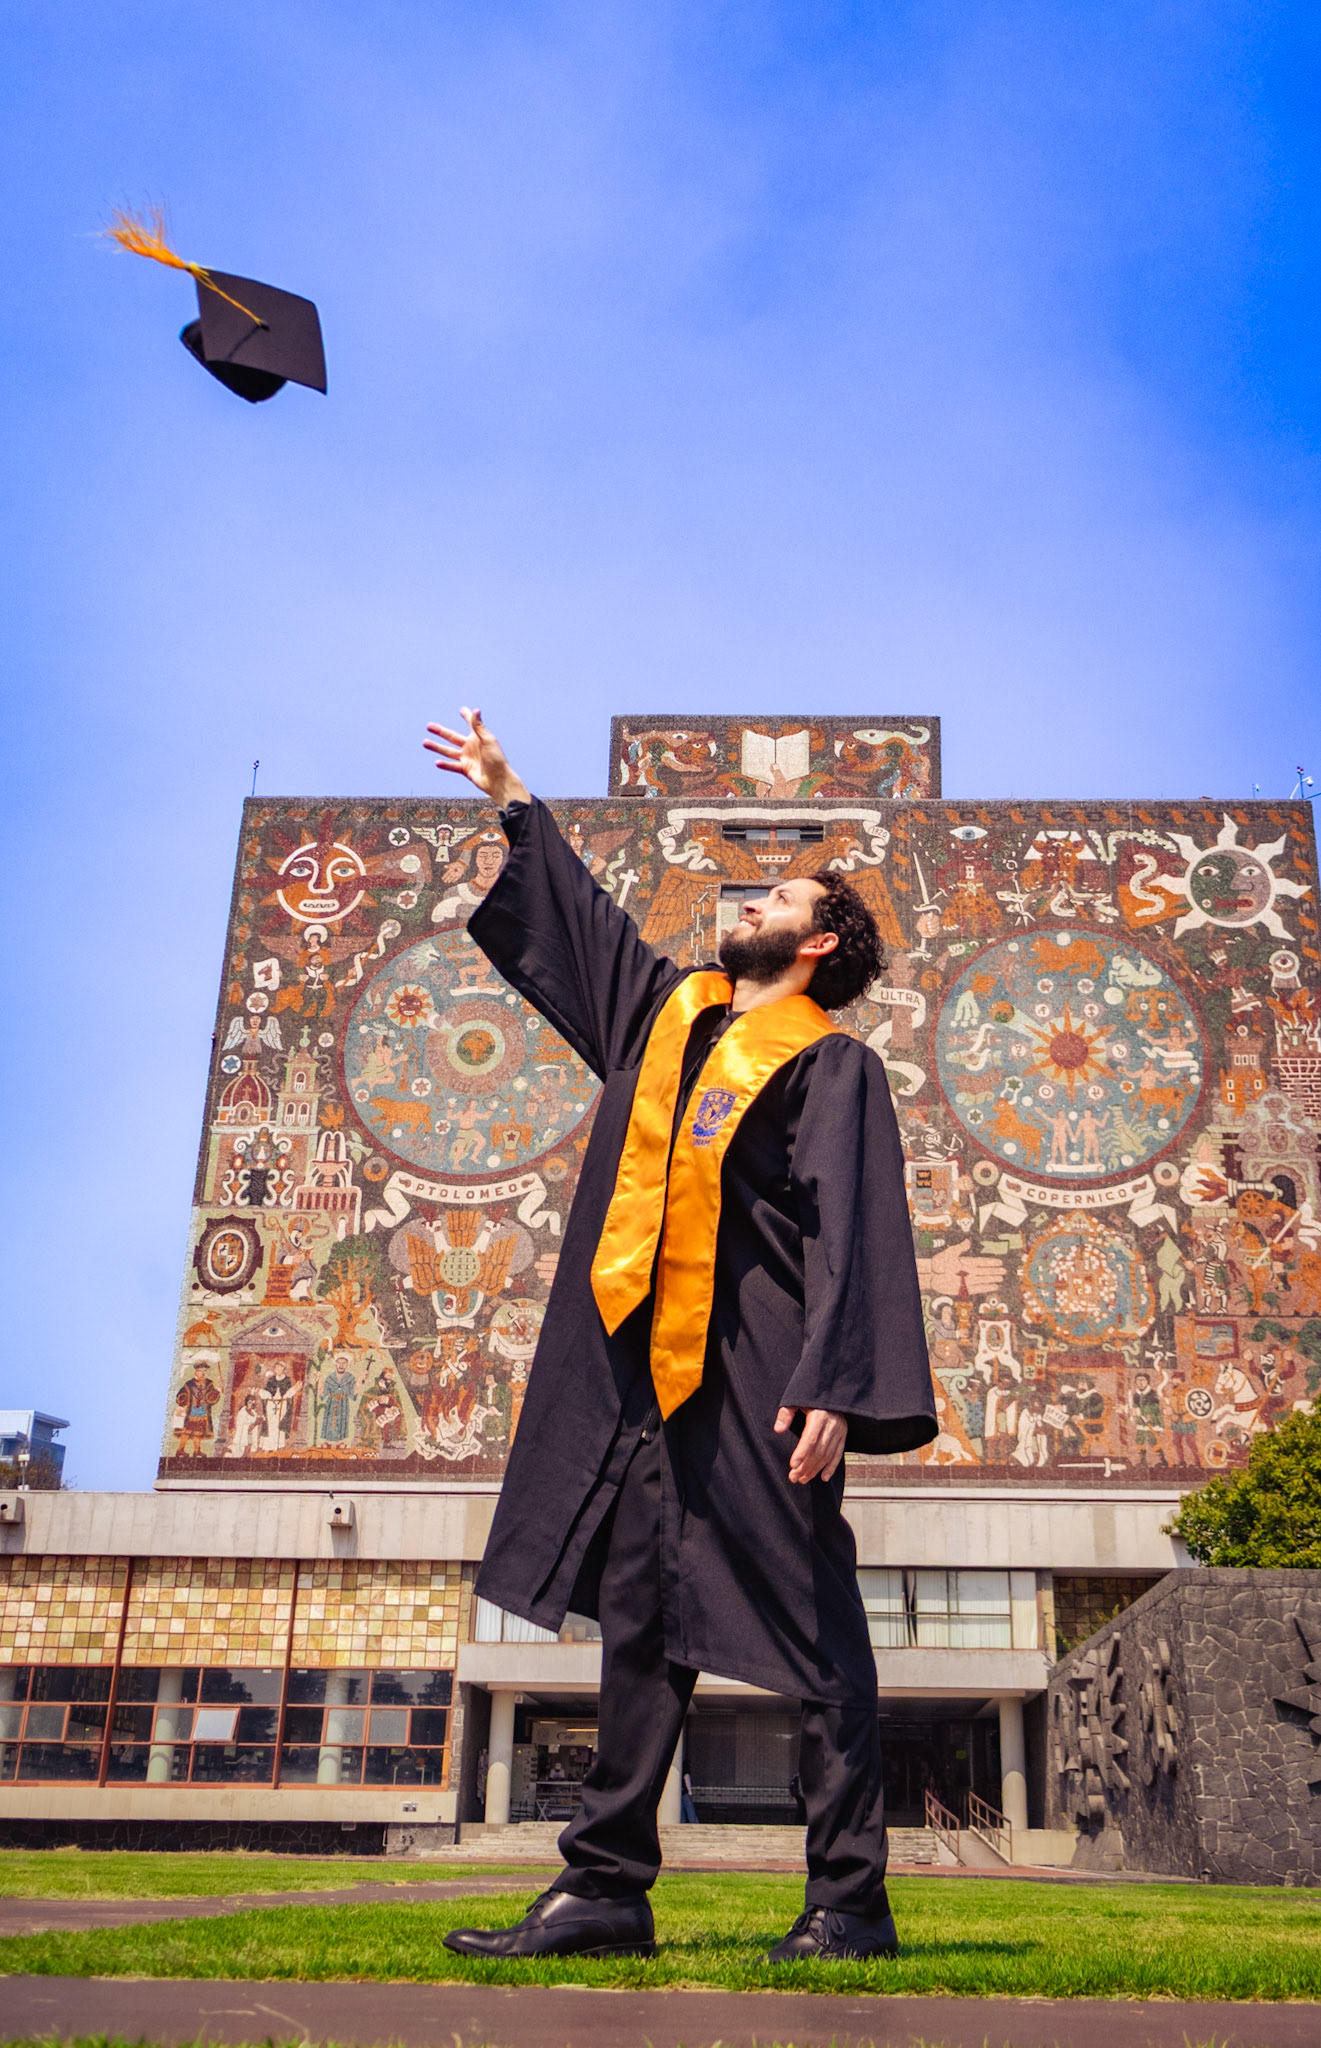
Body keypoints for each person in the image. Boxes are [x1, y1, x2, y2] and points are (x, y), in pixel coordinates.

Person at [425, 708, 936, 1964]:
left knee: (811, 1627)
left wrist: (837, 1383)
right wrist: (512, 798)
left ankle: (849, 1901)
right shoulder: (667, 1021)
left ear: (817, 942)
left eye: (781, 896)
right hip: (646, 1383)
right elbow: (587, 931)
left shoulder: (827, 1064)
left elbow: (855, 1227)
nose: (753, 899)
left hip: (764, 1375)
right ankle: (603, 1887)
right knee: (639, 1624)